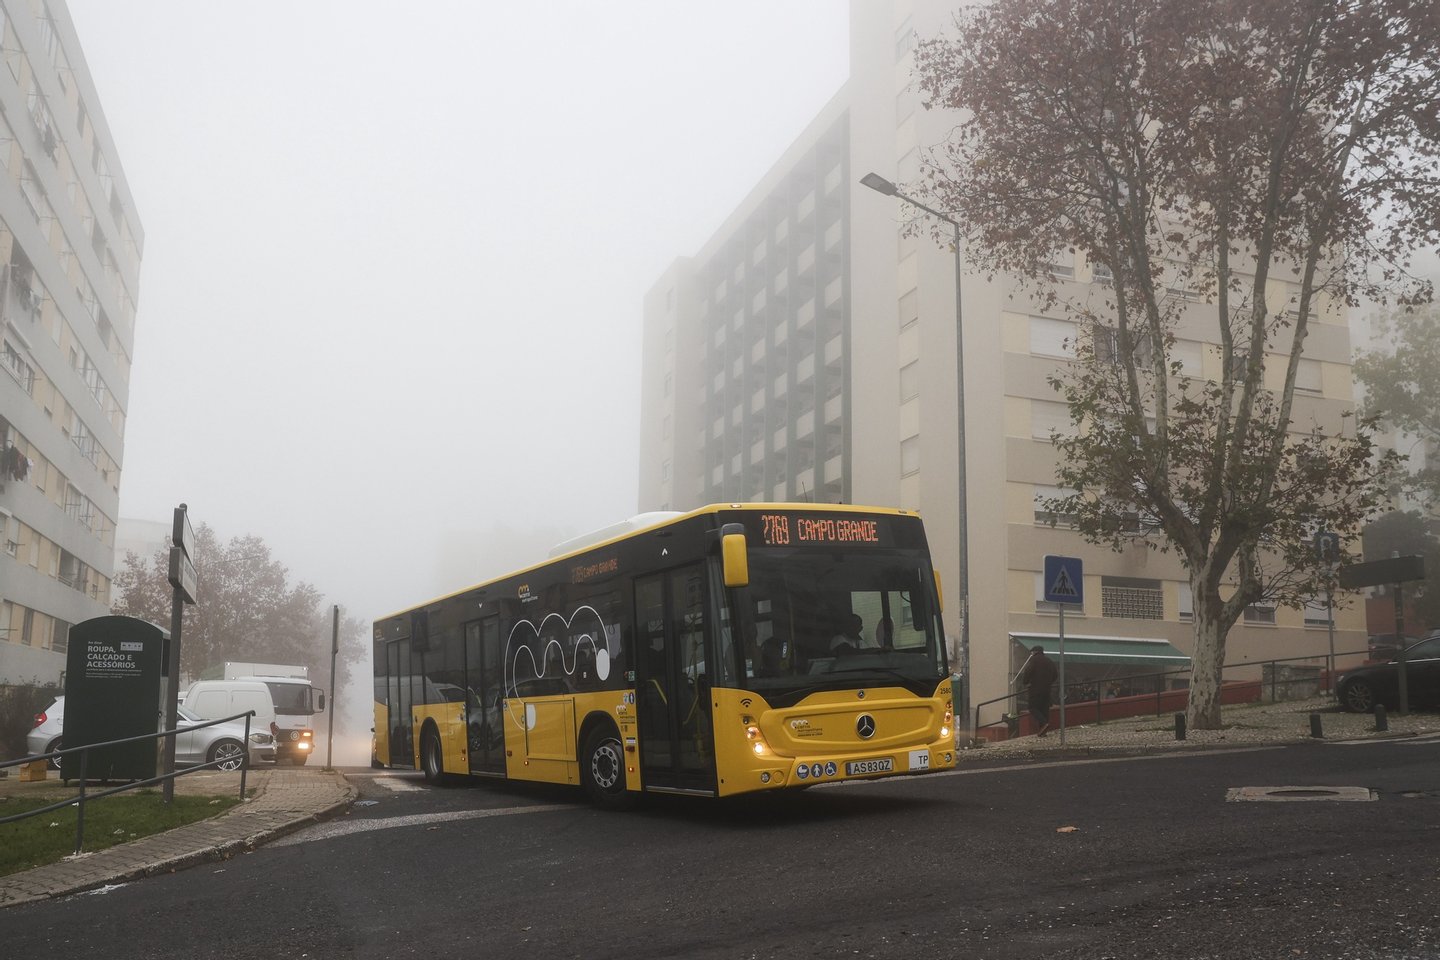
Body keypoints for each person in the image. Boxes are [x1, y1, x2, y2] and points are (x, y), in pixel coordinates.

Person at [1019, 644, 1058, 737]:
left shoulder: (1034, 660)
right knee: (1044, 709)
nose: (1031, 654)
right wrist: (1048, 683)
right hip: (1047, 690)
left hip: (1036, 689)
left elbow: (1028, 672)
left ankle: (1044, 723)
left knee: (1033, 707)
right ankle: (1042, 732)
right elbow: (1055, 675)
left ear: (1035, 652)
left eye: (1032, 652)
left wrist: (1025, 682)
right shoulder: (1049, 661)